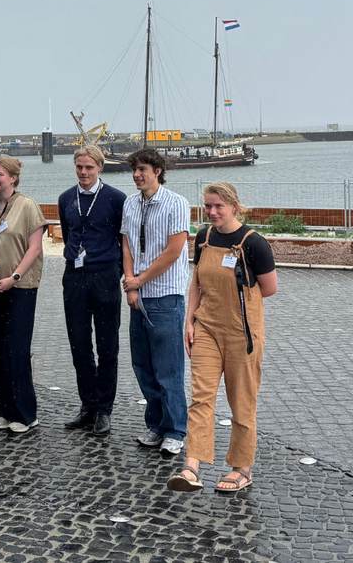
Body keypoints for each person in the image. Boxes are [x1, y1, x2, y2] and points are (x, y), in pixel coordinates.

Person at [167, 182, 277, 493]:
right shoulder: (203, 237)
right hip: (206, 329)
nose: (212, 212)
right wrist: (189, 321)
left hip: (242, 334)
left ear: (234, 207)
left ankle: (242, 468)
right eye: (208, 206)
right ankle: (191, 465)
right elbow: (196, 283)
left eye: (218, 206)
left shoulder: (254, 244)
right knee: (201, 397)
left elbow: (269, 288)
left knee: (242, 402)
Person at [121, 148, 190, 458]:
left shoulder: (176, 203)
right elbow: (126, 244)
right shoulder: (130, 203)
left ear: (158, 171)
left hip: (165, 295)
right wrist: (130, 283)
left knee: (168, 369)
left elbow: (174, 251)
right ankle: (157, 424)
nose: (138, 175)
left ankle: (176, 429)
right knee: (143, 366)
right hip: (139, 295)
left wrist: (141, 279)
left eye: (143, 169)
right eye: (135, 169)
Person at [0, 156, 46, 434]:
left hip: (20, 288)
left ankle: (26, 413)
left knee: (16, 350)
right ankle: (5, 408)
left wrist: (13, 278)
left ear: (13, 178)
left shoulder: (27, 207)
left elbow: (35, 248)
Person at [57, 145, 126, 436]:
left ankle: (105, 409)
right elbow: (67, 230)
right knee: (80, 346)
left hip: (105, 276)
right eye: (79, 167)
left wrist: (116, 271)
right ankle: (88, 405)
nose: (84, 173)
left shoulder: (116, 199)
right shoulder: (65, 199)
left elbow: (124, 240)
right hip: (74, 277)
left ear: (100, 167)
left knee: (107, 346)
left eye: (89, 168)